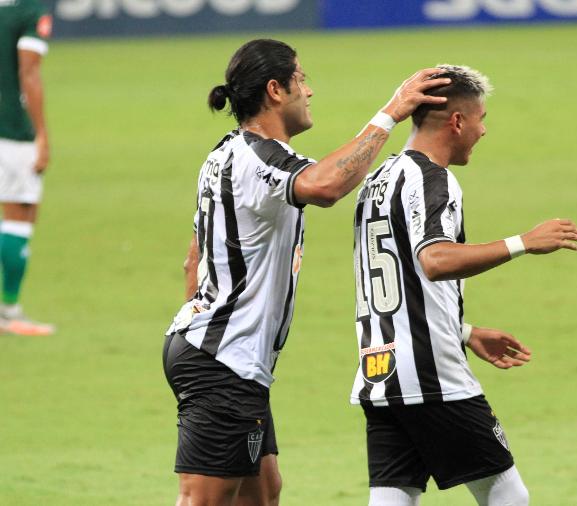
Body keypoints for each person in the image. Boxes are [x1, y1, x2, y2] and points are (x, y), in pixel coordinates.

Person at [162, 39, 451, 506]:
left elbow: (192, 259)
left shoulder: (225, 154)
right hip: (222, 360)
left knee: (262, 494)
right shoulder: (256, 157)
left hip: (225, 356)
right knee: (204, 500)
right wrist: (391, 114)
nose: (309, 91)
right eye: (301, 80)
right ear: (275, 90)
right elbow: (327, 185)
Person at [349, 64, 577, 506]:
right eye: (480, 119)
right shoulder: (431, 178)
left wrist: (465, 331)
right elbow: (435, 261)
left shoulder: (377, 180)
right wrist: (524, 242)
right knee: (507, 496)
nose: (483, 130)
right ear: (457, 121)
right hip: (431, 374)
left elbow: (393, 281)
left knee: (392, 497)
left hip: (380, 367)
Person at [0, 0, 54, 335]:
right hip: (12, 130)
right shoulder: (30, 11)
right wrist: (42, 135)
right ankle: (9, 311)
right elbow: (28, 71)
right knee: (20, 213)